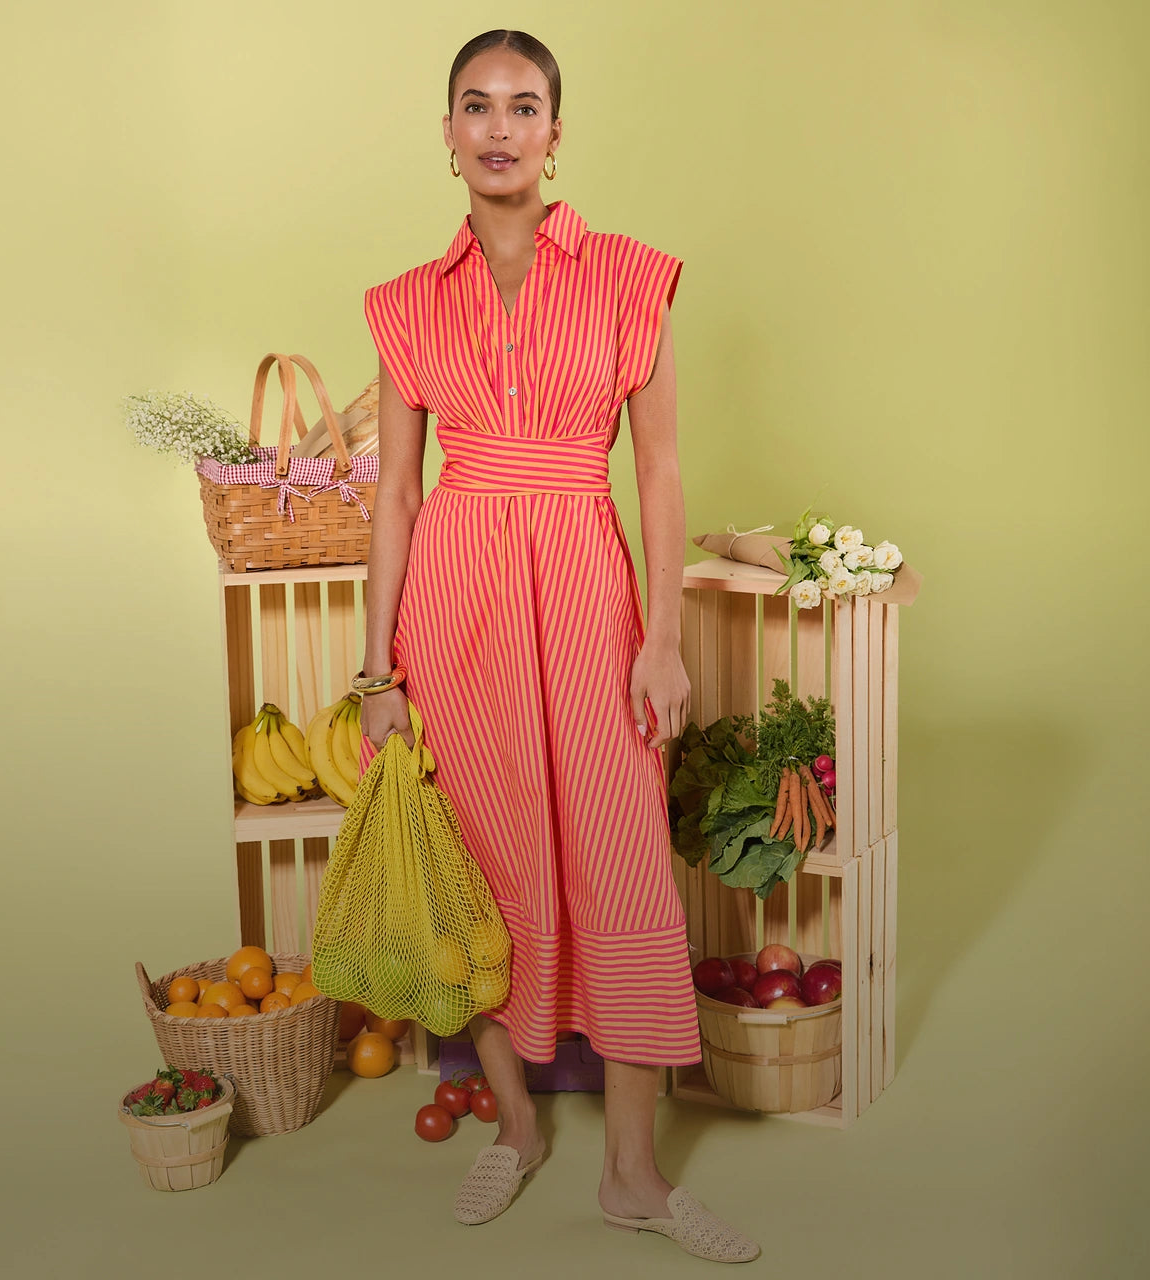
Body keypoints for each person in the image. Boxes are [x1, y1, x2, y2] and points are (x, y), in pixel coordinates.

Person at [354, 28, 760, 1265]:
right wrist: (378, 669)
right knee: (476, 866)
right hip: (455, 601)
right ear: (446, 134)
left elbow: (660, 468)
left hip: (586, 589)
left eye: (522, 106)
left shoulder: (630, 276)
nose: (498, 128)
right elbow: (394, 494)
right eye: (475, 106)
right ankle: (517, 1124)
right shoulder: (405, 303)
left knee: (622, 862)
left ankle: (631, 1171)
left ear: (554, 132)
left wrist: (661, 637)